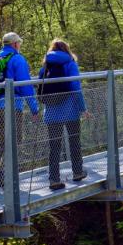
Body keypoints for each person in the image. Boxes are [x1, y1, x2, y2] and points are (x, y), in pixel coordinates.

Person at [0, 32, 39, 186]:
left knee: (3, 139)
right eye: (19, 44)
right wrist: (34, 108)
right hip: (11, 106)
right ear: (15, 44)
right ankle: (3, 174)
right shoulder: (17, 59)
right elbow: (25, 86)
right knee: (15, 139)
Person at [39, 39, 88, 191]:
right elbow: (75, 87)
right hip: (71, 111)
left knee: (54, 146)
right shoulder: (70, 63)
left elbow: (40, 87)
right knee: (74, 142)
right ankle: (78, 172)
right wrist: (83, 108)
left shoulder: (46, 65)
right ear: (67, 49)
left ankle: (54, 179)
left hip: (52, 113)